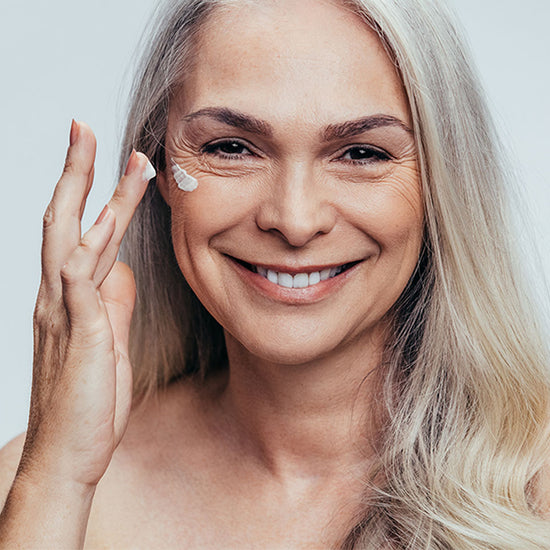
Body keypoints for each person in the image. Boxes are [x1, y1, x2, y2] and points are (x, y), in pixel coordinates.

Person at [1, 0, 549, 547]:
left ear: (441, 183)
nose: (294, 220)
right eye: (232, 147)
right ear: (159, 170)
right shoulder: (49, 482)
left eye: (360, 153)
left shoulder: (538, 481)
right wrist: (58, 479)